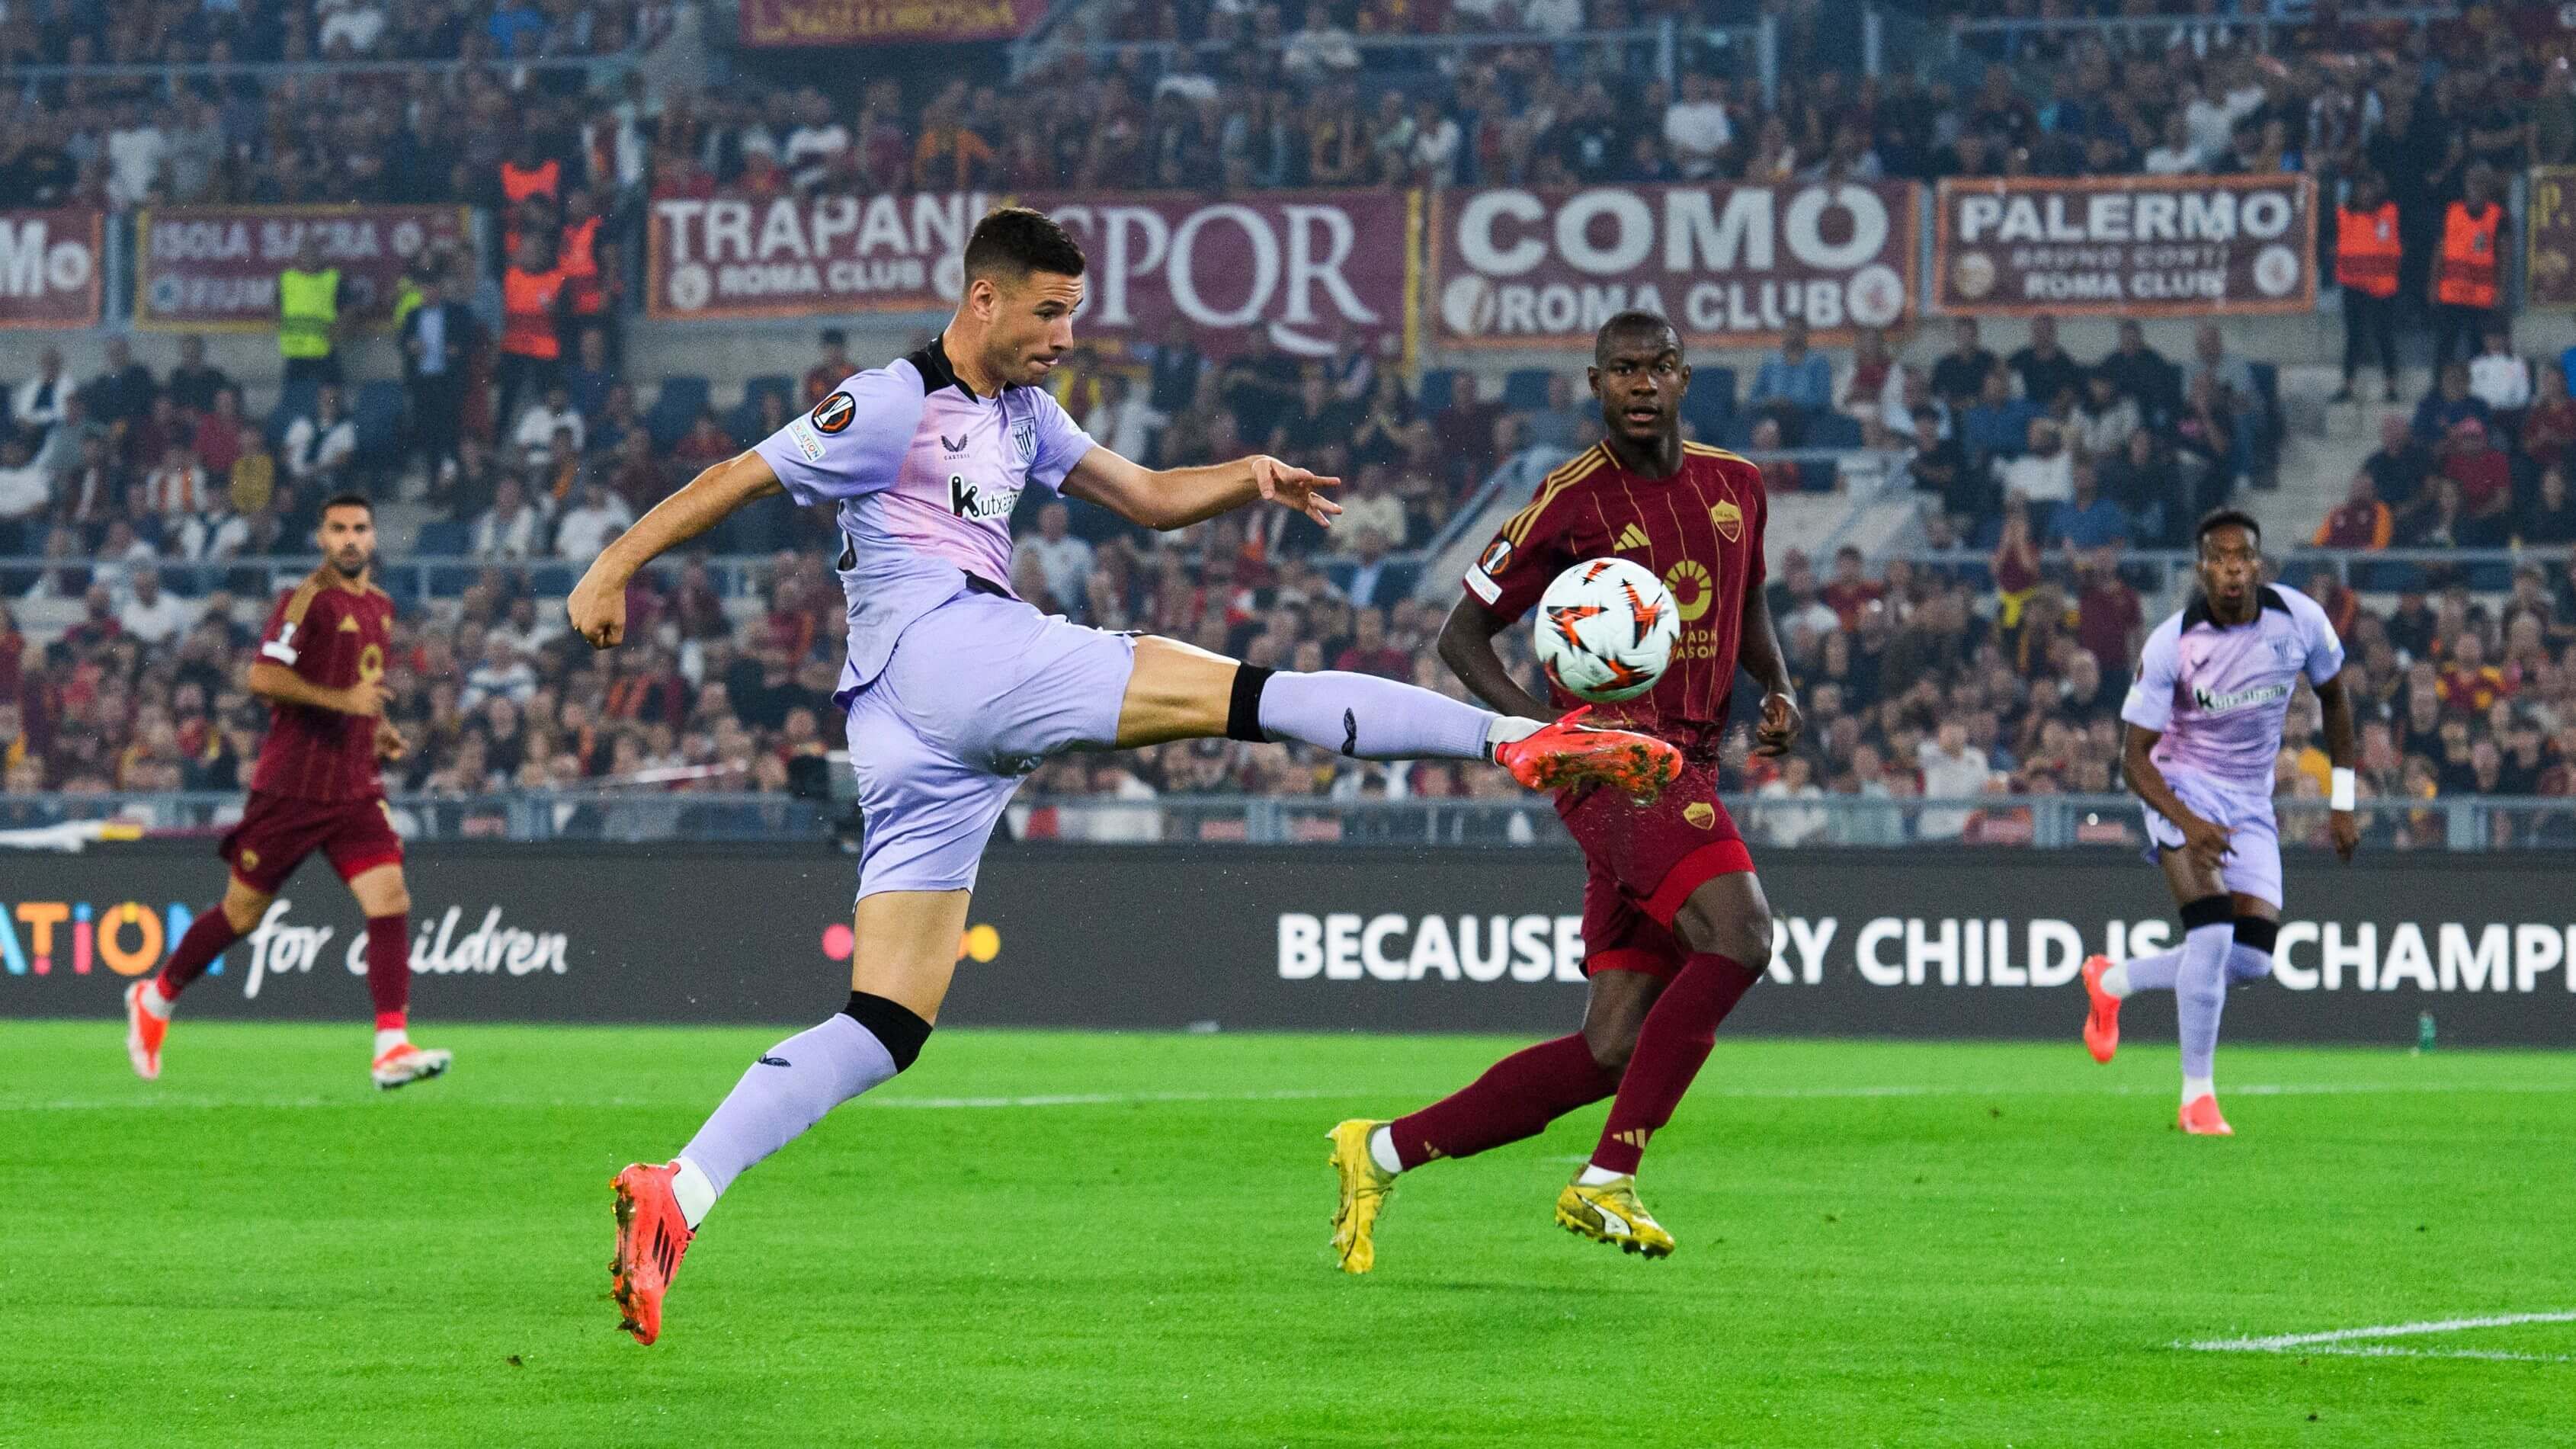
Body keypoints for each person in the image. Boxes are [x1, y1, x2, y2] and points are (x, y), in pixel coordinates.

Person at [566, 208, 1681, 1345]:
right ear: (985, 298)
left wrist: (1248, 478)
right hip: (952, 652)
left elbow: (1144, 496)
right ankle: (1511, 741)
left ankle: (680, 1193)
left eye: (1073, 314)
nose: (1064, 335)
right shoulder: (894, 400)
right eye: (1049, 311)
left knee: (887, 1020)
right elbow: (741, 477)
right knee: (1243, 694)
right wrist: (613, 566)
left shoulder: (1025, 417)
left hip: (912, 728)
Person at [1325, 308, 1800, 1271]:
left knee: (1614, 1046)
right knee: (1742, 936)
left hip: (1691, 762)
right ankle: (1606, 1177)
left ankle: (1376, 1150)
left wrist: (1777, 682)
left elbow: (1746, 595)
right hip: (1614, 768)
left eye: (1655, 367)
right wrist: (1546, 731)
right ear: (1593, 383)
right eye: (1620, 369)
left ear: (1682, 376)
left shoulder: (1737, 487)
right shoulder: (1566, 500)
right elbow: (1460, 636)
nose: (1638, 384)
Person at [120, 493, 449, 1091]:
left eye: (360, 528)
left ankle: (390, 1044)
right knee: (242, 912)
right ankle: (157, 996)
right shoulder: (304, 599)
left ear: (374, 537)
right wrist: (344, 702)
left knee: (390, 897)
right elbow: (264, 676)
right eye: (338, 529)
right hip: (292, 786)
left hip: (353, 785)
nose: (350, 538)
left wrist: (378, 730)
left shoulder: (381, 605)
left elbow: (362, 685)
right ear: (322, 538)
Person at [2080, 508, 2357, 1136]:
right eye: (2219, 558)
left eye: (2243, 557)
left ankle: (2111, 978)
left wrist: (2342, 801)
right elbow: (2133, 758)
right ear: (2202, 568)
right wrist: (2185, 819)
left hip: (2250, 800)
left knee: (2253, 958)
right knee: (2210, 935)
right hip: (2178, 785)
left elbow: (2336, 700)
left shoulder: (2301, 621)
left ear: (2258, 565)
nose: (2232, 568)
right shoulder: (2172, 644)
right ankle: (2196, 1099)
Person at [2331, 170, 2401, 404]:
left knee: (2384, 336)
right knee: (2354, 337)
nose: (2366, 194)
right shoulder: (2343, 214)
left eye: (2370, 188)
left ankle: (2391, 386)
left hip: (2382, 285)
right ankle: (2347, 386)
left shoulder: (2389, 212)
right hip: (2354, 285)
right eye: (2362, 189)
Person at [2430, 163, 2504, 371]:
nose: (2475, 186)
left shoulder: (2498, 216)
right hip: (2452, 292)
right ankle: (2439, 390)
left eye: (2481, 181)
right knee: (2445, 344)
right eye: (2471, 181)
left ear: (2489, 186)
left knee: (2477, 346)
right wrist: (2433, 283)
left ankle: (2478, 390)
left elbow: (2505, 254)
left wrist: (2501, 289)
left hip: (2480, 294)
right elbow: (2440, 248)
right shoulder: (2452, 211)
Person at [277, 234, 344, 389]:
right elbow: (275, 305)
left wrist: (337, 332)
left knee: (330, 395)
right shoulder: (287, 278)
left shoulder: (332, 278)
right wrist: (280, 325)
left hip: (323, 353)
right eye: (306, 252)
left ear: (320, 254)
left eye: (314, 252)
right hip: (295, 354)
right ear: (298, 255)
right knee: (294, 399)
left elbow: (350, 309)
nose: (310, 257)